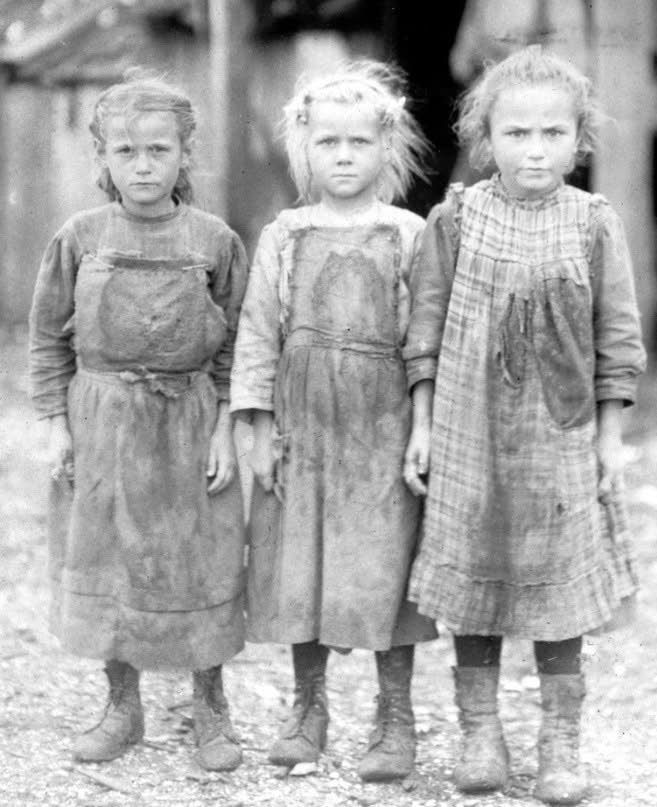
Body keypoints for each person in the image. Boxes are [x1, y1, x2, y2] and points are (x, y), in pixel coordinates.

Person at [402, 46, 646, 804]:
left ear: (578, 141)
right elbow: (425, 329)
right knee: (474, 573)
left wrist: (608, 439)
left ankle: (559, 739)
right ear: (485, 139)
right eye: (516, 134)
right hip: (468, 430)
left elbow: (619, 338)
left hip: (560, 435)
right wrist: (421, 424)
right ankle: (480, 730)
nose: (534, 149)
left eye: (550, 134)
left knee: (557, 583)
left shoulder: (594, 224)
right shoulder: (457, 218)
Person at [28, 73, 249, 772]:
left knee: (198, 558)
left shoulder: (215, 240)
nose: (144, 165)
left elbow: (240, 344)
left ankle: (210, 705)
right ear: (103, 158)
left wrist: (225, 432)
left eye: (160, 149)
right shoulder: (79, 236)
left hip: (189, 419)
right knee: (111, 558)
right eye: (127, 151)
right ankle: (121, 705)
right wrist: (58, 423)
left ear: (187, 153)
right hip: (103, 421)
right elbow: (48, 340)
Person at [230, 61, 437, 782]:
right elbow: (257, 332)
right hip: (304, 425)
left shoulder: (408, 235)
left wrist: (422, 424)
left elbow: (424, 343)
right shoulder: (283, 235)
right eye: (328, 143)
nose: (343, 156)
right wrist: (255, 423)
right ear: (304, 149)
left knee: (386, 566)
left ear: (387, 148)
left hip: (379, 428)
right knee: (301, 566)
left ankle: (395, 714)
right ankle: (308, 707)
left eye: (358, 142)